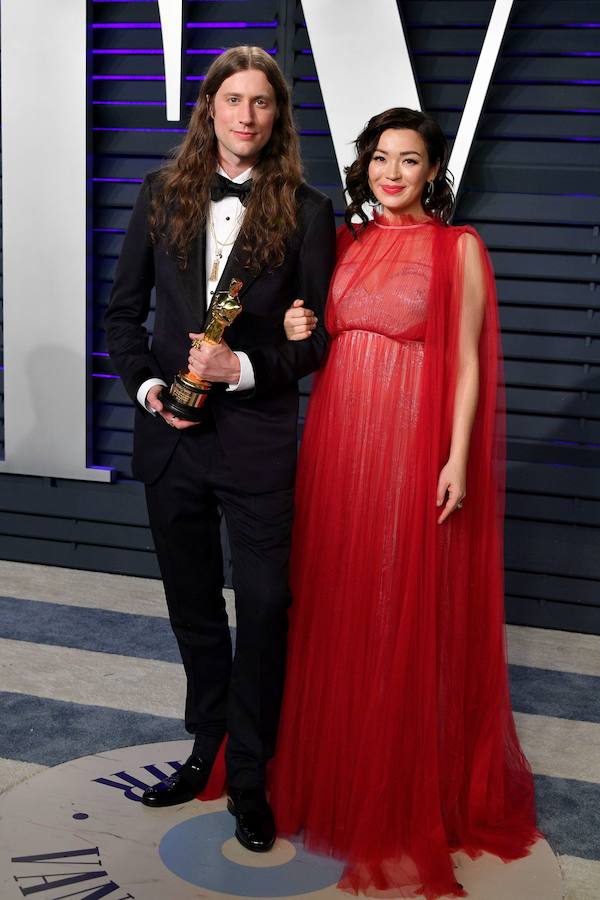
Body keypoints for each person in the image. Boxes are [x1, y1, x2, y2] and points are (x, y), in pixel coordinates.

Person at [271, 108, 540, 898]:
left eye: (409, 160)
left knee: (396, 605)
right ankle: (338, 771)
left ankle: (395, 788)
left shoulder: (459, 248)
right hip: (337, 437)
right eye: (381, 159)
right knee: (339, 599)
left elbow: (466, 364)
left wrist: (457, 457)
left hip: (408, 444)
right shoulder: (343, 242)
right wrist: (296, 323)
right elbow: (314, 333)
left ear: (432, 172)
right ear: (365, 168)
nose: (392, 173)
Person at [105, 45, 335, 852]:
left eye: (261, 102)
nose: (246, 114)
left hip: (257, 441)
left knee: (266, 607)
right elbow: (122, 317)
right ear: (209, 108)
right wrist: (149, 389)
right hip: (169, 441)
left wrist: (242, 367)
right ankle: (206, 747)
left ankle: (251, 775)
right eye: (232, 99)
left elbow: (315, 345)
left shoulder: (308, 211)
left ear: (277, 116)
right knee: (194, 608)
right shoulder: (160, 193)